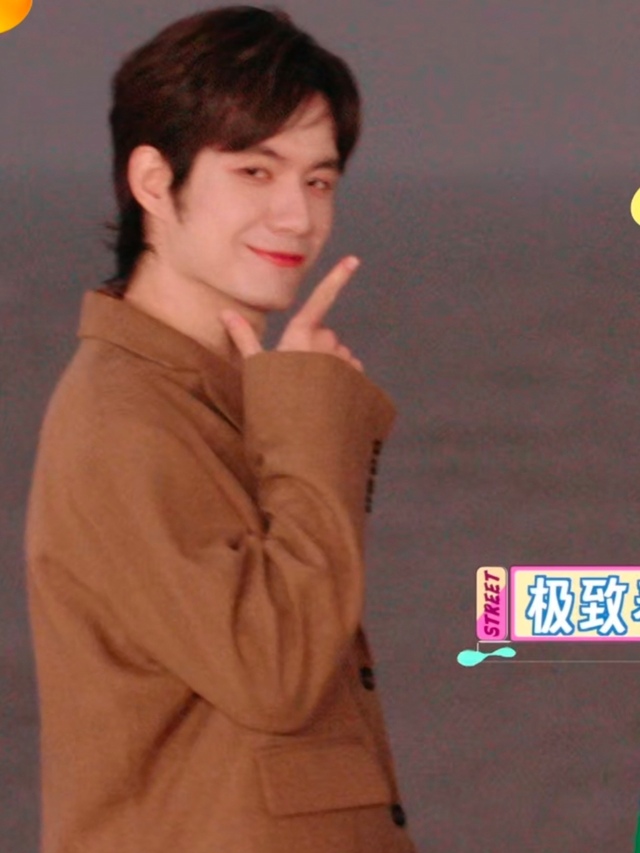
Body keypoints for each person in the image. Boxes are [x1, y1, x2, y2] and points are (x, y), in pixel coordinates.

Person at [25, 7, 416, 852]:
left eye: (319, 181)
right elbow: (276, 671)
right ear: (153, 181)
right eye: (254, 171)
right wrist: (311, 417)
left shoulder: (208, 395)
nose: (296, 216)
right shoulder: (124, 416)